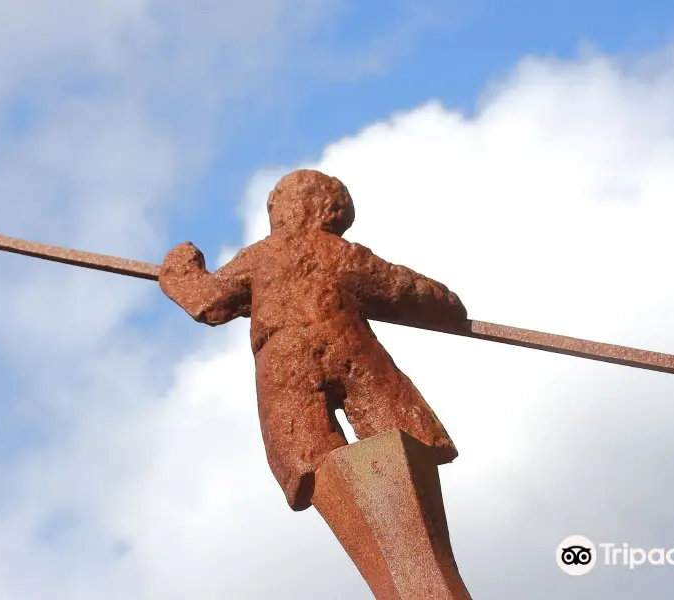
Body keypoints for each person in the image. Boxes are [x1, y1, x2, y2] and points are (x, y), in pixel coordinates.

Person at [159, 169, 467, 511]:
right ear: (332, 214)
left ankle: (336, 483)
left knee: (307, 446)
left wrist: (181, 268)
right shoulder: (339, 251)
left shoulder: (258, 256)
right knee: (389, 417)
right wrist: (447, 303)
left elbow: (208, 298)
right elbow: (399, 285)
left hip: (283, 358)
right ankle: (399, 457)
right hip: (346, 342)